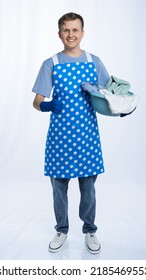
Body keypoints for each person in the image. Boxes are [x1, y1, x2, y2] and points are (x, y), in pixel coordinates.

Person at [32, 12, 110, 254]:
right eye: (66, 30)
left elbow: (109, 94)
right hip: (60, 139)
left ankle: (90, 230)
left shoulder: (94, 61)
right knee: (59, 187)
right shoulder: (51, 64)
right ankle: (62, 229)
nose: (71, 35)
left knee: (88, 188)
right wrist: (47, 105)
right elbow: (37, 101)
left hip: (87, 137)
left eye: (75, 30)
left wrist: (120, 109)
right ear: (59, 34)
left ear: (83, 33)